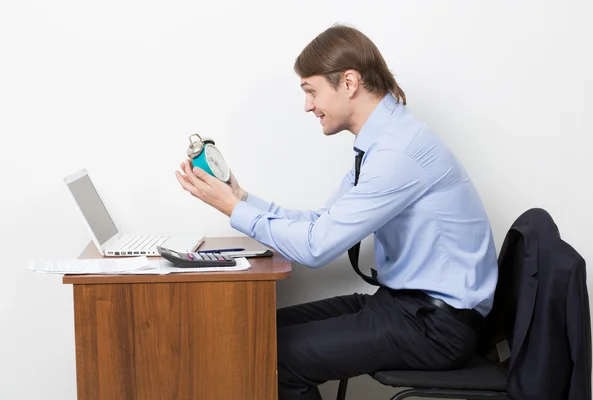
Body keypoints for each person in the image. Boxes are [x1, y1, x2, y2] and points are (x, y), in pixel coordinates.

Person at [175, 24, 498, 400]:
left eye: (311, 91)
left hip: (434, 328)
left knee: (272, 355)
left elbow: (315, 247)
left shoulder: (397, 154)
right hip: (404, 306)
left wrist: (232, 209)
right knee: (258, 332)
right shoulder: (385, 140)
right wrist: (241, 198)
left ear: (348, 82)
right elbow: (320, 222)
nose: (308, 105)